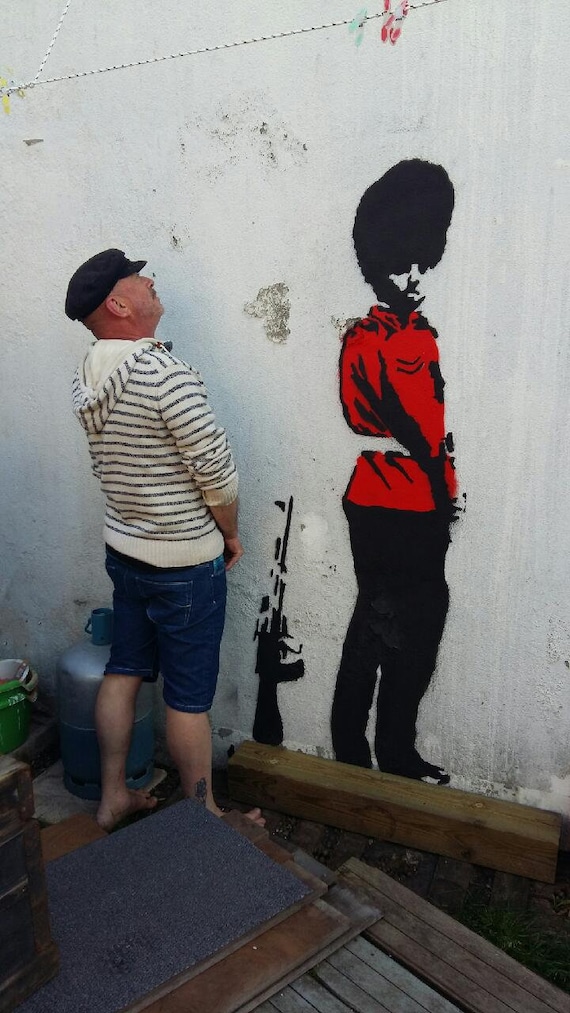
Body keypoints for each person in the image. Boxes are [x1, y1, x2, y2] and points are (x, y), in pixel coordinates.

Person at [66, 248, 263, 829]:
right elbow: (217, 474)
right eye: (137, 278)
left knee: (124, 669)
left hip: (125, 553)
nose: (149, 280)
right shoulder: (163, 375)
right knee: (187, 698)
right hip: (183, 564)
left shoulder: (89, 374)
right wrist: (231, 534)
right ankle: (203, 816)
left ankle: (113, 797)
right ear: (119, 304)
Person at [331, 160, 458, 784]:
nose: (416, 277)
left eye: (422, 263)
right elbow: (410, 425)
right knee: (402, 626)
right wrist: (440, 482)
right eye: (405, 264)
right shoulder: (393, 339)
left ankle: (365, 747)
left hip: (393, 495)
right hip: (399, 500)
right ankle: (380, 751)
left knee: (386, 623)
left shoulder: (389, 334)